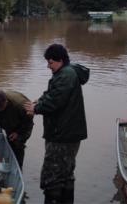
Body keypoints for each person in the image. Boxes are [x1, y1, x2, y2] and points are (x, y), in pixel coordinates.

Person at [24, 44, 89, 204]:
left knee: (52, 176)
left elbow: (55, 101)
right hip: (70, 134)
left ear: (60, 60)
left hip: (62, 136)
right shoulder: (66, 72)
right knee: (66, 174)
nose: (48, 66)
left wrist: (36, 108)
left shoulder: (65, 75)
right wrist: (39, 101)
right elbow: (52, 94)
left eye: (50, 62)